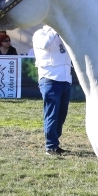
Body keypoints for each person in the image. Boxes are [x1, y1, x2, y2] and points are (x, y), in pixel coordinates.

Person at [33, 25, 72, 156]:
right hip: (50, 78)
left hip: (66, 78)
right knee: (52, 114)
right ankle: (50, 146)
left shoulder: (63, 34)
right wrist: (55, 29)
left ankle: (55, 142)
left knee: (61, 115)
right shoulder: (40, 34)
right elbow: (44, 44)